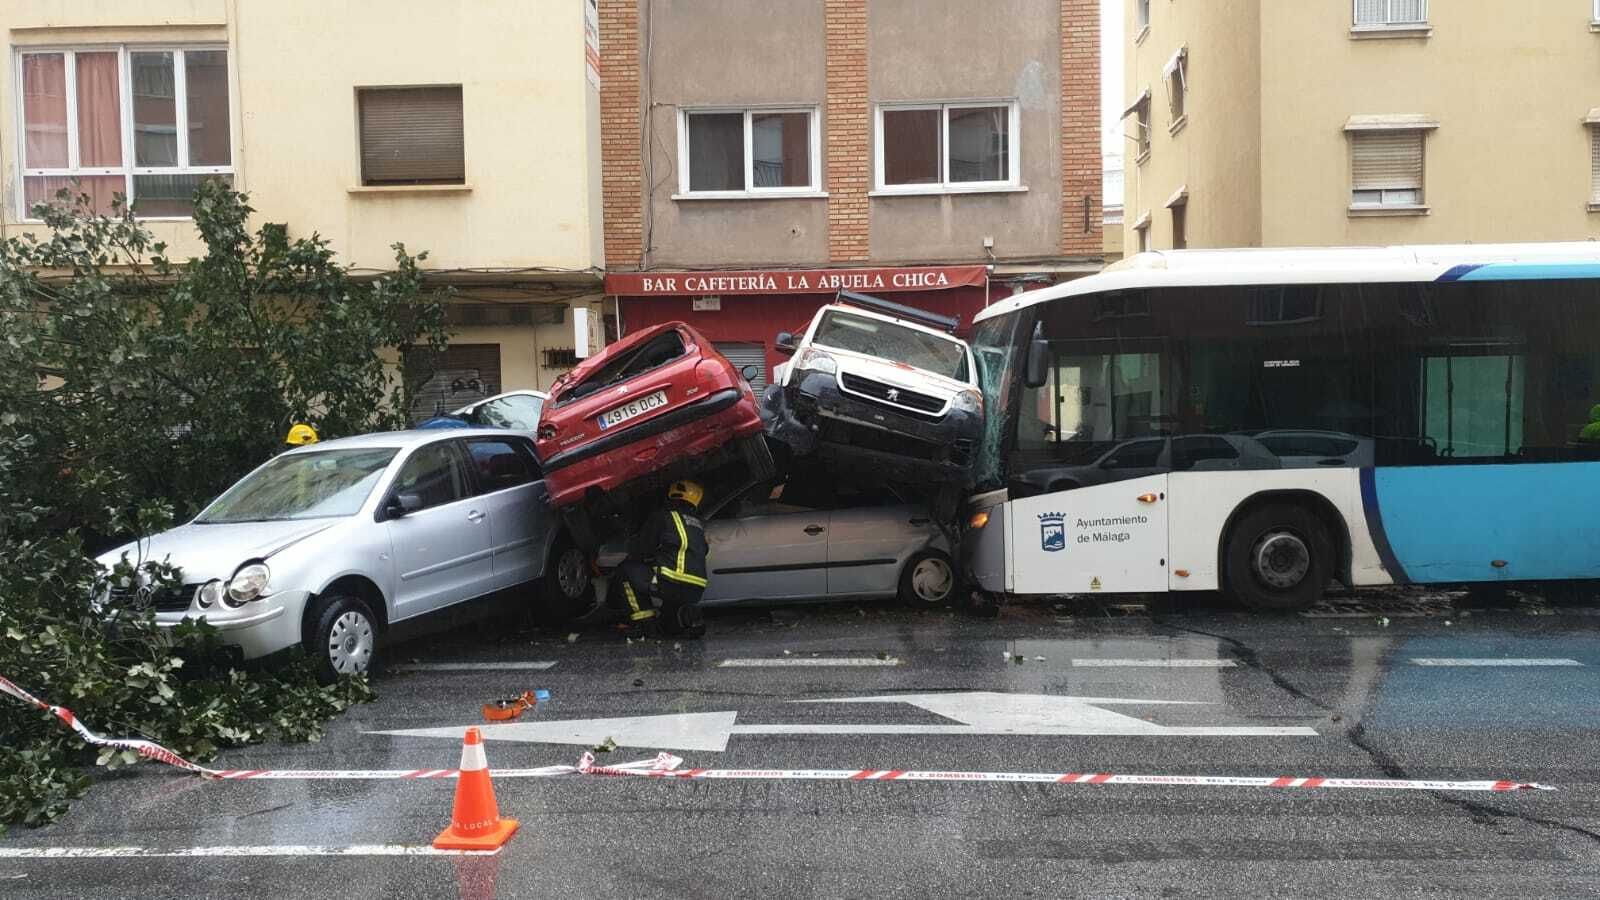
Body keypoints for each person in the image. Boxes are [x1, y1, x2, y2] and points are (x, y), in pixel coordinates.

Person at [618, 480, 709, 638]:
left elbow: (641, 549)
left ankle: (644, 623)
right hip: (696, 590)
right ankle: (675, 621)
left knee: (626, 569)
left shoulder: (662, 516)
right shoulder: (697, 523)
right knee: (669, 625)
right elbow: (703, 550)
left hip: (672, 583)